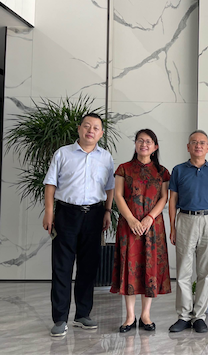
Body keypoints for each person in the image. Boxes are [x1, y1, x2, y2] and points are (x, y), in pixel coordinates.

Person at [43, 113, 115, 337]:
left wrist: (107, 212)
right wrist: (49, 212)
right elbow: (50, 183)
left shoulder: (106, 157)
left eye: (96, 128)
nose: (90, 130)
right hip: (66, 214)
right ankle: (60, 319)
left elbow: (110, 187)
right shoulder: (63, 153)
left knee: (88, 267)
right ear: (79, 129)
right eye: (87, 126)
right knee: (62, 267)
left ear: (101, 133)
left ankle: (83, 314)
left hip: (94, 214)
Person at [110, 129, 171, 333]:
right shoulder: (124, 169)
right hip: (129, 226)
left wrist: (149, 218)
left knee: (149, 267)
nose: (144, 144)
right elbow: (118, 196)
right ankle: (129, 316)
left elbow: (164, 197)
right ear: (135, 144)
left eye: (148, 141)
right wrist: (131, 220)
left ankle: (145, 315)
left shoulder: (162, 172)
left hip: (153, 226)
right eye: (140, 141)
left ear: (155, 147)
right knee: (129, 268)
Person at [168, 130, 208, 333]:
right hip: (185, 219)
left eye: (202, 143)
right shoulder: (178, 170)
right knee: (183, 271)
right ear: (188, 147)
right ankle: (183, 316)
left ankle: (199, 316)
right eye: (194, 142)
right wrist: (172, 226)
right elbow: (172, 200)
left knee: (205, 271)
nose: (198, 146)